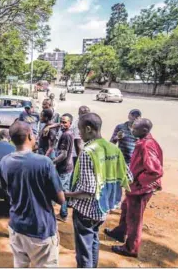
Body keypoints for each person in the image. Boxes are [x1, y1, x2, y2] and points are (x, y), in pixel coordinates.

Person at [66, 113, 132, 268]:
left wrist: (65, 194)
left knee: (84, 251)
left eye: (80, 130)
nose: (79, 134)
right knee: (94, 241)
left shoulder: (88, 152)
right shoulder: (113, 149)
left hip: (85, 211)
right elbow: (128, 176)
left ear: (88, 129)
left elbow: (87, 190)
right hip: (103, 208)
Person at [0, 121, 65, 267]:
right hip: (40, 228)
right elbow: (61, 199)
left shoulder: (4, 162)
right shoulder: (44, 162)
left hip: (17, 226)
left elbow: (6, 190)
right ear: (29, 136)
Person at [105, 118, 163, 258]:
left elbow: (155, 171)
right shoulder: (144, 142)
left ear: (144, 130)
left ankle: (131, 248)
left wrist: (138, 182)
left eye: (135, 128)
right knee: (126, 208)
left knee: (134, 219)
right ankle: (120, 232)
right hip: (134, 187)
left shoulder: (146, 146)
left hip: (140, 190)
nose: (132, 130)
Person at [53, 113, 74, 222]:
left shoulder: (66, 135)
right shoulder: (69, 133)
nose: (62, 124)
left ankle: (45, 212)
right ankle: (63, 214)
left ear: (70, 123)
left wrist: (52, 162)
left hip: (64, 168)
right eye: (61, 121)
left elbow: (63, 154)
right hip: (68, 167)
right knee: (64, 191)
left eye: (65, 122)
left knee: (55, 190)